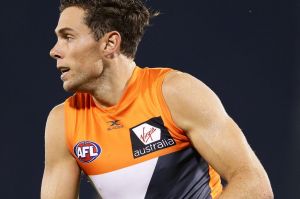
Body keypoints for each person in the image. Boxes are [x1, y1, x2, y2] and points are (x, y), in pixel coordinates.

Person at [41, 0, 273, 198]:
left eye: (68, 37)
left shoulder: (174, 93)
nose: (54, 50)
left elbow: (254, 184)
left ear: (110, 43)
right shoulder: (63, 122)